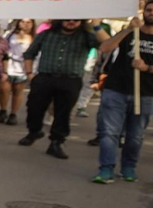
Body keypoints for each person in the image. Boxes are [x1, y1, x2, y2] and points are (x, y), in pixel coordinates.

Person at [92, 0, 153, 183]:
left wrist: (147, 67)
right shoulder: (131, 33)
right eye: (149, 10)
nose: (152, 13)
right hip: (116, 90)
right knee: (109, 132)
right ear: (143, 12)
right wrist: (128, 29)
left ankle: (129, 167)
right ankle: (106, 169)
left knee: (135, 135)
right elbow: (105, 47)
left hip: (146, 93)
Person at [20, 19, 105, 159]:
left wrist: (96, 25)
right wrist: (29, 74)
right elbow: (30, 53)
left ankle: (56, 142)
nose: (71, 22)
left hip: (70, 79)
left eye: (76, 20)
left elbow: (106, 46)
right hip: (45, 77)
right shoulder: (46, 34)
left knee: (63, 112)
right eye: (67, 19)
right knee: (34, 107)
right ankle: (34, 131)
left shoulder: (86, 36)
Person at [0, 19, 36, 126]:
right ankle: (3, 110)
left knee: (17, 91)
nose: (25, 24)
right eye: (23, 21)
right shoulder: (10, 35)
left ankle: (13, 114)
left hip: (23, 68)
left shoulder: (34, 38)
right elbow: (4, 50)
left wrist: (31, 71)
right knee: (4, 89)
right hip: (9, 65)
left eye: (28, 22)